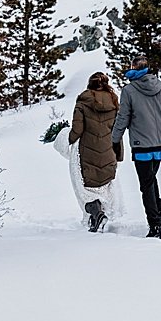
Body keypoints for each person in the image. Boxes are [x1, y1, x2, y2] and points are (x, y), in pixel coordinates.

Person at [111, 57, 161, 238]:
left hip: (142, 144)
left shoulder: (129, 90)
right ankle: (160, 214)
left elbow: (123, 118)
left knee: (146, 184)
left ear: (133, 68)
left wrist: (114, 139)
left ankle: (154, 224)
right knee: (151, 178)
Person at [69, 71, 125, 232]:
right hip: (108, 151)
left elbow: (77, 129)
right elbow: (117, 131)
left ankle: (97, 214)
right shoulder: (114, 102)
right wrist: (118, 154)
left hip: (87, 150)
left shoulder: (82, 101)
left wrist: (69, 139)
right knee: (104, 186)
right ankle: (97, 217)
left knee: (86, 189)